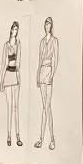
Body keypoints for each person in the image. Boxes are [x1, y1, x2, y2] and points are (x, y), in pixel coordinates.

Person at [35, 17, 60, 151]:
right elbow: (39, 59)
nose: (47, 26)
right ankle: (41, 138)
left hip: (49, 71)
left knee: (47, 106)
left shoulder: (54, 41)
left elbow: (56, 59)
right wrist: (37, 76)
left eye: (49, 23)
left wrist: (51, 75)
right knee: (44, 107)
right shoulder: (41, 42)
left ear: (51, 26)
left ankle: (51, 139)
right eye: (46, 24)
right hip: (42, 71)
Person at [0, 20, 22, 147]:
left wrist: (19, 77)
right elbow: (3, 64)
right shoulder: (6, 45)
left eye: (17, 29)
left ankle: (18, 135)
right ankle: (8, 135)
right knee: (10, 107)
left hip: (15, 76)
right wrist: (0, 81)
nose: (15, 31)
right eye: (14, 29)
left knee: (16, 107)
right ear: (10, 30)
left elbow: (19, 64)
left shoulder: (18, 44)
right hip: (7, 76)